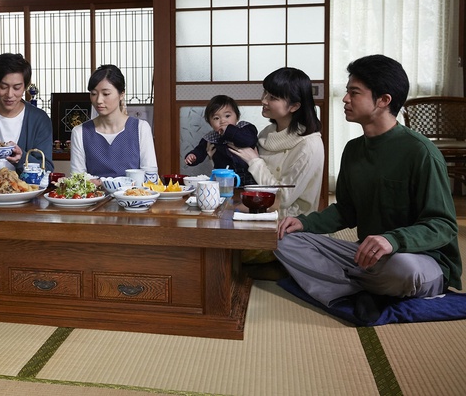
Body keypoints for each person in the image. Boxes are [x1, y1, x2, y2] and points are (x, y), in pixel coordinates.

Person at [274, 55, 462, 324]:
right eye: (347, 91)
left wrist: (393, 241)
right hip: (367, 256)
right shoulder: (353, 150)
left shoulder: (421, 152)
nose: (345, 99)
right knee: (281, 240)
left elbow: (443, 225)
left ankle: (345, 288)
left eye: (354, 92)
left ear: (383, 100)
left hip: (420, 259)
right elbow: (346, 211)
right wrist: (304, 223)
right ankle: (367, 291)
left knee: (403, 269)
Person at [229, 67, 324, 219]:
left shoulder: (309, 144)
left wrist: (254, 161)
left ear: (294, 106)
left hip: (290, 223)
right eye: (265, 93)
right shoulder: (267, 132)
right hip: (258, 209)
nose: (263, 100)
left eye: (272, 97)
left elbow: (283, 198)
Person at [70, 64, 157, 178]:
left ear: (121, 94)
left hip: (134, 190)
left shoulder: (140, 128)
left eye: (106, 94)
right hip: (95, 190)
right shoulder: (80, 132)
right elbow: (77, 179)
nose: (99, 100)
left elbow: (150, 176)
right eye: (93, 94)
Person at [184, 95, 257, 186]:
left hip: (249, 176)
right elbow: (200, 151)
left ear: (237, 117)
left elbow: (249, 140)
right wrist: (193, 156)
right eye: (216, 118)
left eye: (227, 116)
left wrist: (229, 131)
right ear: (210, 123)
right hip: (223, 179)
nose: (222, 121)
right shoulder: (211, 137)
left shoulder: (245, 128)